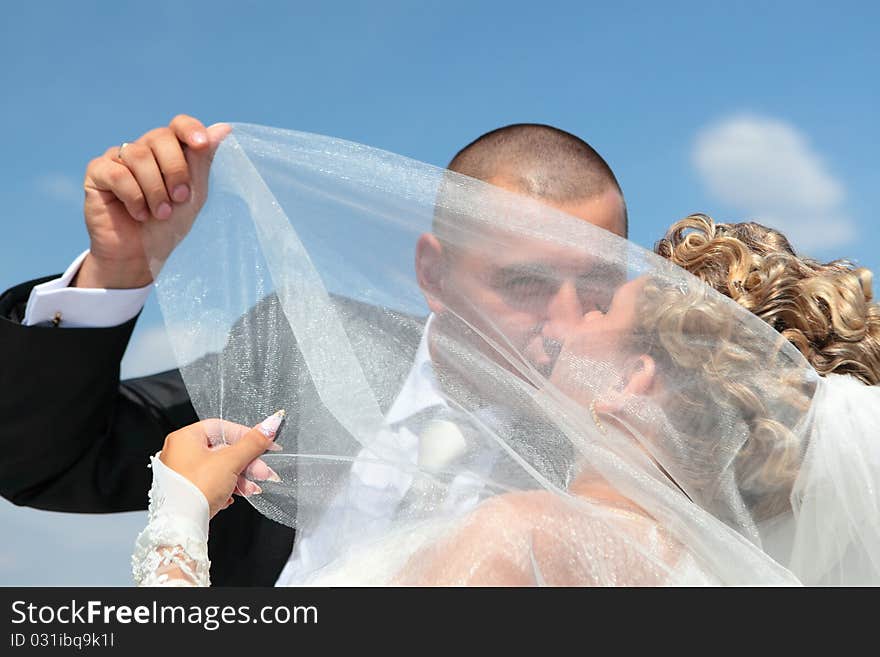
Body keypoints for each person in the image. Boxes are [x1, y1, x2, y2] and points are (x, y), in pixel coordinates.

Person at [0, 116, 628, 585]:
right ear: (433, 274)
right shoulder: (298, 345)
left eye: (598, 289)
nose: (566, 325)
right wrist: (118, 269)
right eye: (524, 284)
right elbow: (47, 464)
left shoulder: (626, 451)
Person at [134, 210, 880, 586]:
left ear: (631, 382)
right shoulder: (698, 570)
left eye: (599, 309)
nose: (566, 315)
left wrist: (178, 522)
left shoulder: (526, 540)